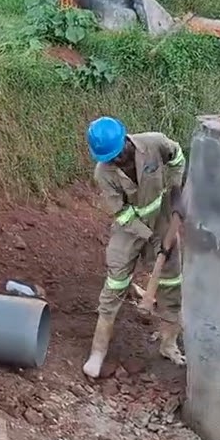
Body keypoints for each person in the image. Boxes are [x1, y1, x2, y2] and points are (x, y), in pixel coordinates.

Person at [82, 116, 187, 379]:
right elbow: (122, 213)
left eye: (117, 154)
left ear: (126, 140)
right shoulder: (103, 173)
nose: (115, 160)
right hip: (130, 229)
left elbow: (177, 157)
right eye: (109, 158)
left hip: (163, 219)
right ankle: (98, 351)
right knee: (115, 282)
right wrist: (150, 237)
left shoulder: (155, 143)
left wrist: (175, 190)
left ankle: (168, 343)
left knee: (172, 279)